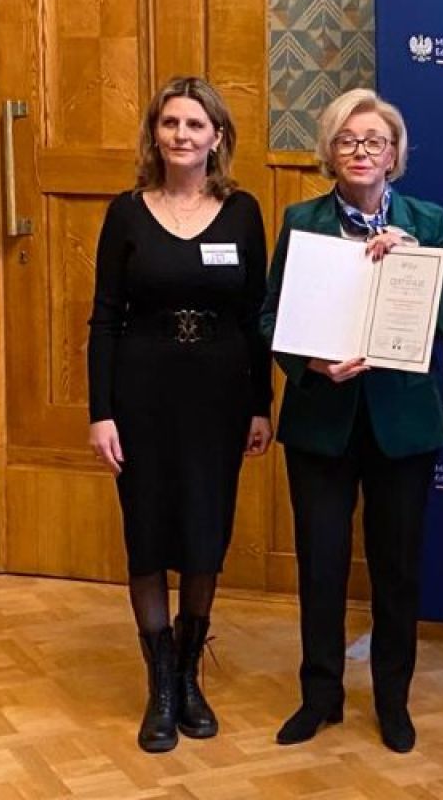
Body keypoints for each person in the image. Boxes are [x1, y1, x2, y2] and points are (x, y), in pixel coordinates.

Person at [260, 88, 443, 753]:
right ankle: (320, 696)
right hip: (320, 423)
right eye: (347, 140)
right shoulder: (301, 220)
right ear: (330, 150)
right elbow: (269, 317)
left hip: (402, 426)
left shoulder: (427, 220)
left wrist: (414, 263)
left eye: (375, 141)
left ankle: (392, 701)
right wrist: (310, 362)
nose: (361, 151)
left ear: (394, 152)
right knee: (321, 566)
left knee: (397, 569)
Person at [87, 76, 273, 753]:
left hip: (219, 397)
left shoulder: (243, 211)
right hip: (142, 394)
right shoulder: (127, 213)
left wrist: (262, 405)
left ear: (217, 136)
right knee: (146, 532)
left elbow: (256, 316)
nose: (182, 135)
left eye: (195, 124)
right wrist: (100, 412)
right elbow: (105, 318)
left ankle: (191, 675)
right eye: (170, 123)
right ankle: (160, 686)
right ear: (155, 134)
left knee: (203, 530)